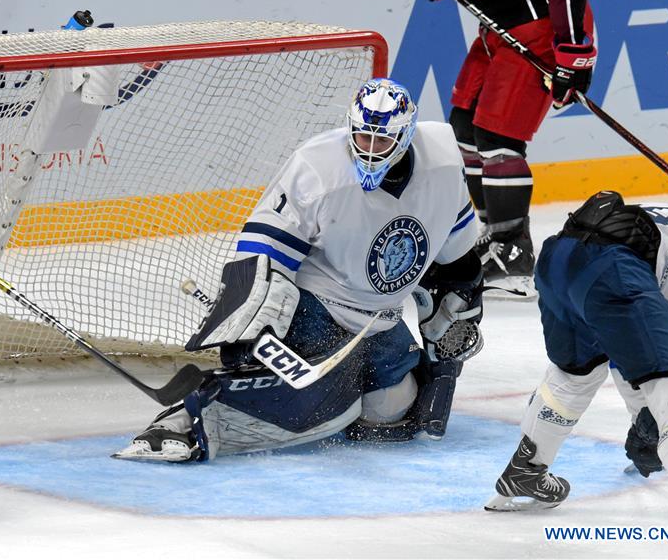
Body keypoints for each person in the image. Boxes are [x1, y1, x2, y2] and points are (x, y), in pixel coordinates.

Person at [114, 78, 485, 463]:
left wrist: (458, 300)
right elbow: (264, 250)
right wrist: (247, 322)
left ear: (405, 136)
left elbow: (457, 260)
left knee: (393, 412)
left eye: (382, 141)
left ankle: (339, 393)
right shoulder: (319, 166)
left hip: (381, 318)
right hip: (317, 306)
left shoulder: (442, 164)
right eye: (362, 137)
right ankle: (182, 423)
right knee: (319, 407)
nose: (370, 150)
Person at [485, 190, 668, 555]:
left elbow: (623, 340)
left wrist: (646, 417)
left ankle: (526, 470)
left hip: (558, 259)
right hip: (614, 268)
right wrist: (652, 417)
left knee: (575, 374)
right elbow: (657, 355)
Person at [401, 0, 596, 298]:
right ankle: (495, 237)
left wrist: (572, 51)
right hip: (497, 28)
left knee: (498, 137)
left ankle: (513, 251)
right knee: (463, 130)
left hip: (543, 30)